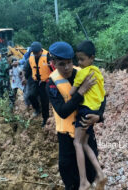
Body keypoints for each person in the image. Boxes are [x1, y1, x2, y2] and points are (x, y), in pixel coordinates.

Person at [46, 41, 106, 190]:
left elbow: (102, 97)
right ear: (53, 63)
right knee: (69, 177)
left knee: (91, 174)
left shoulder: (84, 72)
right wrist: (81, 92)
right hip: (66, 138)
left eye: (69, 62)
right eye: (61, 64)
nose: (67, 67)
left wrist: (99, 116)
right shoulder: (52, 83)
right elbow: (63, 111)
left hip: (86, 131)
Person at [69, 40, 107, 190]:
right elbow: (103, 93)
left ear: (91, 58)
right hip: (94, 110)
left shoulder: (82, 73)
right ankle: (100, 174)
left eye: (82, 59)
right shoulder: (97, 72)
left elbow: (72, 92)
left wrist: (73, 90)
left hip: (84, 110)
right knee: (84, 143)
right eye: (78, 59)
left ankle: (83, 181)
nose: (79, 63)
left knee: (77, 143)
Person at [22, 41, 53, 127]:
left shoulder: (48, 56)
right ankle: (37, 109)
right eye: (34, 53)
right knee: (30, 95)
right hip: (35, 81)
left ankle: (45, 119)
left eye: (37, 53)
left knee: (44, 101)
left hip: (45, 82)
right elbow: (26, 68)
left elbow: (54, 69)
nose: (35, 54)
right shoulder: (31, 56)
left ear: (41, 50)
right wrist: (24, 77)